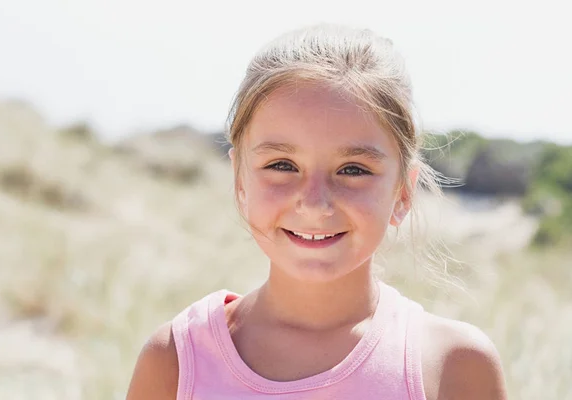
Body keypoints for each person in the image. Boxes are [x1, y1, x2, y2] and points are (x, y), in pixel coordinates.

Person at [126, 24, 507, 400]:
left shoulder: (453, 366)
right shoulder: (176, 361)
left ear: (403, 191)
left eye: (353, 170)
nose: (314, 202)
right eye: (282, 165)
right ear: (240, 179)